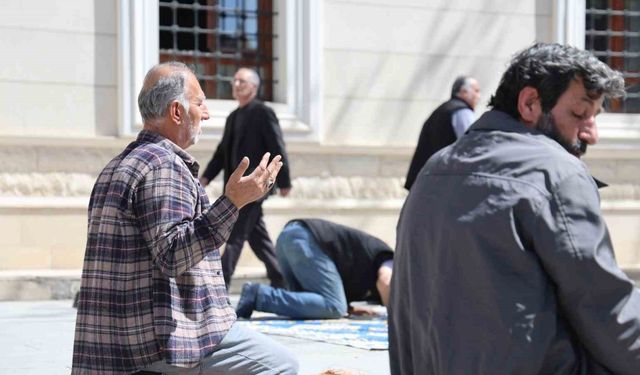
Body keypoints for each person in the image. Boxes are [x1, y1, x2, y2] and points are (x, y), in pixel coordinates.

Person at [389, 43, 640, 374]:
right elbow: (604, 307)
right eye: (580, 114)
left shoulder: (435, 167)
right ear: (530, 103)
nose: (590, 134)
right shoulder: (556, 171)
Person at [72, 62, 298, 374]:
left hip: (115, 345)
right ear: (177, 112)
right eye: (200, 103)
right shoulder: (165, 166)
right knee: (282, 365)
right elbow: (174, 255)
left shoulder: (117, 165)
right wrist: (232, 202)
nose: (206, 113)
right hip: (161, 342)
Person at [200, 67, 291, 289]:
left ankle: (218, 287)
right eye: (234, 81)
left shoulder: (263, 112)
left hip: (254, 186)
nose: (236, 84)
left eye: (241, 81)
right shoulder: (233, 117)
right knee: (259, 240)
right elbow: (222, 153)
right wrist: (204, 178)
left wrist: (284, 180)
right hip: (236, 188)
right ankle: (283, 282)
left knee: (234, 236)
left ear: (253, 87)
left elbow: (277, 146)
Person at [235, 219, 394, 319]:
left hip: (289, 238)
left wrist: (349, 307)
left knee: (303, 306)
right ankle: (259, 295)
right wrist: (395, 317)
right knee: (334, 307)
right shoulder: (391, 259)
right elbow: (385, 281)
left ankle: (257, 296)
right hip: (306, 241)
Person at [404, 75, 481, 190]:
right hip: (443, 181)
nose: (479, 96)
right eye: (476, 91)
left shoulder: (443, 110)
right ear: (464, 92)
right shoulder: (462, 112)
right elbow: (473, 146)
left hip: (426, 180)